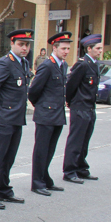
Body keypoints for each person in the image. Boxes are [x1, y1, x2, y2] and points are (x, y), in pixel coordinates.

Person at [0, 29, 33, 210]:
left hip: (16, 118)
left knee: (9, 157)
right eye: (21, 44)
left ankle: (3, 189)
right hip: (2, 117)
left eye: (27, 45)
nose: (25, 48)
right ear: (12, 43)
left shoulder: (24, 64)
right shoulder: (5, 63)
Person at [29, 32, 72, 196]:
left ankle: (45, 179)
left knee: (50, 150)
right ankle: (37, 182)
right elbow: (33, 91)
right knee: (41, 150)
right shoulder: (47, 65)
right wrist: (41, 107)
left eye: (68, 48)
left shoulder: (63, 65)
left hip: (57, 115)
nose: (66, 51)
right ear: (54, 48)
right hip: (46, 115)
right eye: (63, 48)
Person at [63, 34, 103, 184]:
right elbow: (71, 85)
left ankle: (81, 168)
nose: (100, 51)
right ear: (89, 48)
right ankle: (70, 170)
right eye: (97, 48)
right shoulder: (82, 64)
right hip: (80, 107)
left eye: (101, 48)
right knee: (76, 140)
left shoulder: (94, 64)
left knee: (85, 140)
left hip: (90, 107)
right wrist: (70, 101)